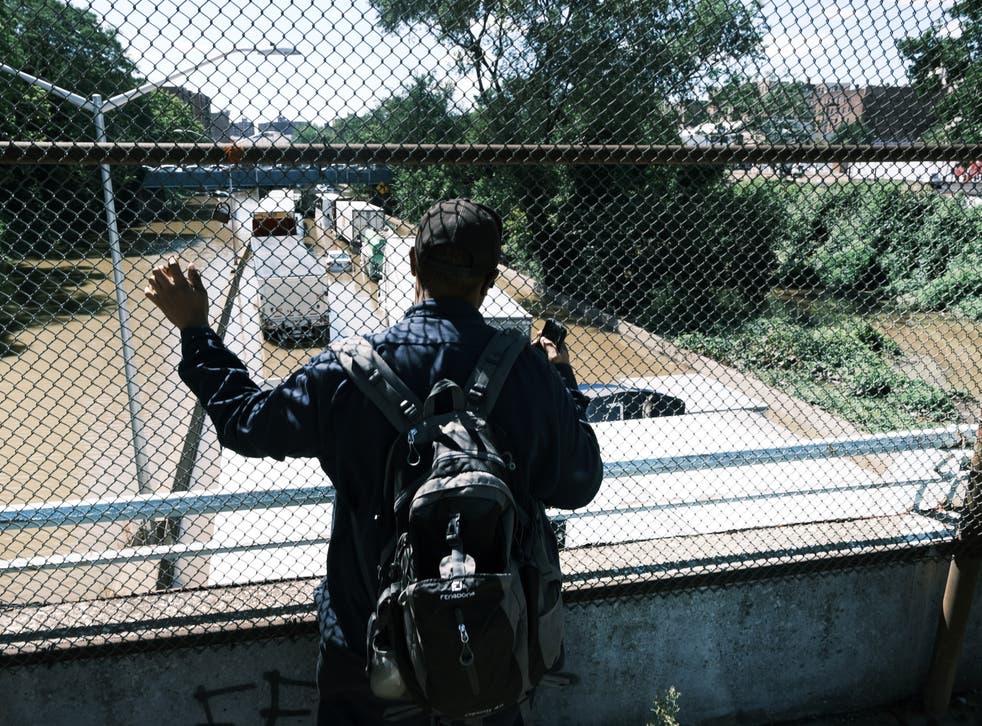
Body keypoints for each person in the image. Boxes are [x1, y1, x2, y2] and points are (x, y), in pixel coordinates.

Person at [146, 198, 604, 725]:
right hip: (491, 644)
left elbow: (245, 422)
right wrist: (562, 379)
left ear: (410, 262)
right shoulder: (527, 372)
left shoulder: (345, 371)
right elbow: (580, 481)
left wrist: (197, 331)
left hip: (369, 651)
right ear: (492, 276)